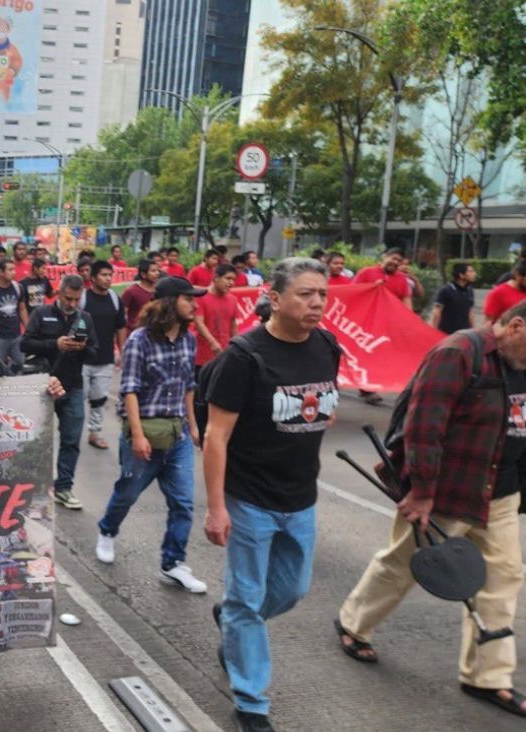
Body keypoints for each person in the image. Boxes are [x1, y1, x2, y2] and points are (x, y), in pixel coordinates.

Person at [336, 301, 526, 720]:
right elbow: (424, 424)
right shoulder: (459, 353)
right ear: (515, 327)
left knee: (502, 578)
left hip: (501, 492)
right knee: (404, 565)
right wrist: (421, 489)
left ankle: (487, 676)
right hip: (446, 491)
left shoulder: (521, 363)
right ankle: (353, 623)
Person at [202, 258, 340, 732]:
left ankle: (235, 620)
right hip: (250, 500)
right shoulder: (244, 357)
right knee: (247, 598)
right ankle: (251, 702)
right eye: (304, 293)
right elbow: (215, 436)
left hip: (301, 497)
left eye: (321, 293)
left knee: (291, 590)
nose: (316, 302)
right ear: (275, 299)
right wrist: (217, 509)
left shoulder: (326, 344)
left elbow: (326, 403)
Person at [95, 277, 208, 594]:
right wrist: (139, 435)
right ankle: (107, 530)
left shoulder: (188, 340)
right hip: (144, 433)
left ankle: (173, 564)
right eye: (189, 299)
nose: (195, 305)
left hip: (178, 435)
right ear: (170, 303)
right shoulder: (139, 340)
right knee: (128, 493)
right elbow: (129, 390)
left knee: (183, 503)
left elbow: (188, 385)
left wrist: (194, 426)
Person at [22, 275, 99, 510]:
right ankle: (30, 488)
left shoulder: (85, 318)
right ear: (58, 292)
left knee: (71, 440)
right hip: (43, 385)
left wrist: (82, 348)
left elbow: (96, 352)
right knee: (34, 439)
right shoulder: (41, 313)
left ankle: (64, 487)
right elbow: (24, 344)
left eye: (77, 299)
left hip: (73, 386)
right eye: (68, 298)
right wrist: (55, 344)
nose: (72, 304)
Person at [354, 249, 411, 406]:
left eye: (399, 261)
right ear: (384, 257)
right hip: (365, 323)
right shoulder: (366, 273)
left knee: (380, 355)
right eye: (393, 258)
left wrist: (409, 322)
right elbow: (354, 292)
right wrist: (372, 287)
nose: (395, 262)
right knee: (364, 353)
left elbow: (406, 300)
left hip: (387, 325)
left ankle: (369, 385)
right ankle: (366, 388)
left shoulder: (402, 279)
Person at [81, 261, 127, 450]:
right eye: (103, 275)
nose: (108, 279)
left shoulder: (115, 300)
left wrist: (122, 352)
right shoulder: (83, 299)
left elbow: (120, 327)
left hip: (105, 359)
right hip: (81, 358)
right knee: (77, 399)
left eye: (110, 275)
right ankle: (70, 431)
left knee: (99, 399)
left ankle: (94, 432)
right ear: (92, 278)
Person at [194, 263, 240, 373]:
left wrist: (236, 345)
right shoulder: (201, 297)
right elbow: (199, 323)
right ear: (216, 278)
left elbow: (233, 324)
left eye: (233, 279)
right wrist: (212, 342)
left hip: (225, 355)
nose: (231, 283)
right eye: (228, 278)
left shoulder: (233, 299)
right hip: (203, 357)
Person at [431, 262, 478, 334]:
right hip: (446, 333)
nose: (474, 274)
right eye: (471, 271)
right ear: (461, 275)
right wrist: (433, 331)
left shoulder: (469, 290)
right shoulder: (446, 290)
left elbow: (470, 311)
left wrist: (474, 330)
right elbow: (437, 312)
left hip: (463, 333)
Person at [122, 257, 160, 331]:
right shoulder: (131, 291)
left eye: (158, 270)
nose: (157, 273)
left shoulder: (160, 291)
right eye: (153, 271)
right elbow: (122, 315)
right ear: (143, 274)